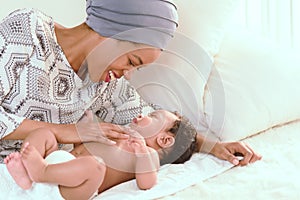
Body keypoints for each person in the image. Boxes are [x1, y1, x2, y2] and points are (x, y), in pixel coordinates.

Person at [0, 0, 261, 166]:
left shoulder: (106, 85)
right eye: (132, 61)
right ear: (110, 33)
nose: (128, 74)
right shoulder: (27, 31)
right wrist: (66, 131)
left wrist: (214, 146)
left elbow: (158, 123)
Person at [4, 109, 198, 200]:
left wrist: (141, 153)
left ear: (164, 140)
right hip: (59, 162)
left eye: (153, 117)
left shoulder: (147, 154)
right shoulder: (120, 132)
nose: (142, 115)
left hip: (76, 188)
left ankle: (40, 173)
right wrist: (88, 125)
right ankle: (26, 174)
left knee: (95, 165)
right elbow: (83, 146)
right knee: (43, 134)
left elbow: (147, 183)